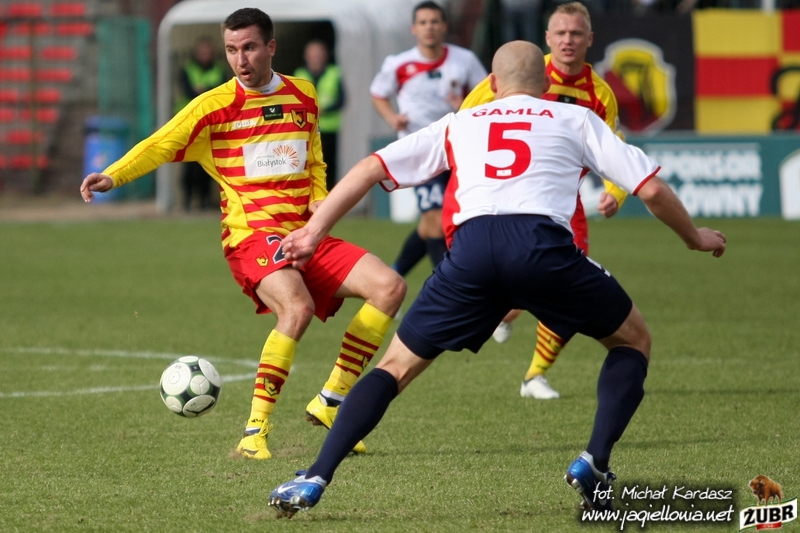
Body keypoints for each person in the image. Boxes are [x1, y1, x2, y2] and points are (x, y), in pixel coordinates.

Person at [268, 40, 726, 517]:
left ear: (491, 83)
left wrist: (313, 232)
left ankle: (315, 475)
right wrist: (694, 237)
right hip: (542, 249)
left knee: (395, 367)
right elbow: (651, 189)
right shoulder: (576, 118)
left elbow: (370, 168)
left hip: (472, 252)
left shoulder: (461, 122)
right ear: (546, 82)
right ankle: (595, 460)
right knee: (632, 340)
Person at [80, 7, 406, 460]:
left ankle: (332, 401)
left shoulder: (303, 94)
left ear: (271, 47)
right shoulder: (213, 106)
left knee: (390, 288)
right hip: (252, 235)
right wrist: (113, 175)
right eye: (232, 49)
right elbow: (160, 143)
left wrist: (318, 198)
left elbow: (314, 158)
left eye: (249, 47)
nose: (240, 59)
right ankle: (255, 433)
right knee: (296, 308)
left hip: (306, 233)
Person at [462, 2, 627, 400]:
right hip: (507, 197)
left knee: (564, 287)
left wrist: (615, 190)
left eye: (576, 33)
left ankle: (535, 374)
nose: (568, 40)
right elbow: (467, 117)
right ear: (548, 38)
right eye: (561, 33)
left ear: (589, 39)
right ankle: (505, 310)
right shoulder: (520, 73)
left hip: (564, 203)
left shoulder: (599, 94)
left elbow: (614, 146)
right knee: (532, 282)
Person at [370, 1, 486, 277]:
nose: (429, 27)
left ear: (444, 26)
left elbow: (486, 95)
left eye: (434, 21)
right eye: (423, 22)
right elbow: (378, 93)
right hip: (419, 151)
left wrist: (465, 104)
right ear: (414, 28)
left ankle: (394, 273)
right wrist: (392, 118)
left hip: (457, 148)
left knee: (437, 220)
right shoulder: (399, 63)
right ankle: (447, 283)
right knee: (434, 217)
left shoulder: (465, 60)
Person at [176, 37, 226, 211]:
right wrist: (207, 91)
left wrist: (200, 90)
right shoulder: (187, 69)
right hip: (189, 122)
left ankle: (204, 201)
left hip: (210, 123)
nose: (205, 55)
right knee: (189, 163)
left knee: (207, 164)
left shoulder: (218, 70)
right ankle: (188, 200)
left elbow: (221, 92)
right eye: (202, 52)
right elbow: (187, 91)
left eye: (208, 52)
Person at [293, 40, 344, 191]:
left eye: (318, 54)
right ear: (306, 56)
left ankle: (330, 195)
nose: (316, 58)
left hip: (329, 128)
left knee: (328, 165)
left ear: (325, 56)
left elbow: (342, 100)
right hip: (306, 128)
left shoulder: (334, 73)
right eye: (312, 54)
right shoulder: (299, 74)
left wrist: (324, 110)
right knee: (307, 163)